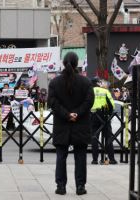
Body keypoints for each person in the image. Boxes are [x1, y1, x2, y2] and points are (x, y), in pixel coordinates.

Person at [48, 52, 94, 196]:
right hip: (81, 123)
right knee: (80, 156)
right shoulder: (86, 82)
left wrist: (66, 115)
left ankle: (61, 186)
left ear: (63, 63)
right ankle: (80, 186)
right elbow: (89, 101)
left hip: (61, 124)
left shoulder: (54, 82)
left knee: (61, 156)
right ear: (76, 63)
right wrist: (77, 114)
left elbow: (53, 103)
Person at [90, 77, 117, 165]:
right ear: (98, 83)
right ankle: (112, 159)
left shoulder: (90, 91)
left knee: (94, 137)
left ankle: (94, 160)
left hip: (93, 116)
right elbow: (112, 105)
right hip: (104, 116)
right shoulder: (105, 91)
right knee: (108, 137)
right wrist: (109, 113)